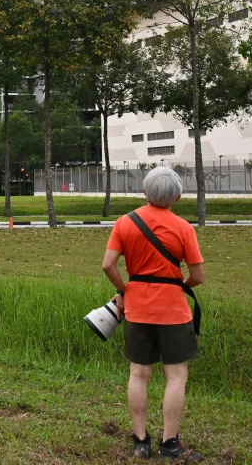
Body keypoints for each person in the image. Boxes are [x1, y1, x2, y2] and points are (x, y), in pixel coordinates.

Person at [101, 166, 205, 461]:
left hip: (137, 308)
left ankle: (140, 440)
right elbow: (198, 276)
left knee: (139, 373)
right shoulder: (184, 228)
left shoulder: (124, 223)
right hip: (173, 310)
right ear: (179, 197)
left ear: (144, 192)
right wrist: (179, 284)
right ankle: (170, 444)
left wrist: (124, 290)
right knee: (175, 376)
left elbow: (108, 264)